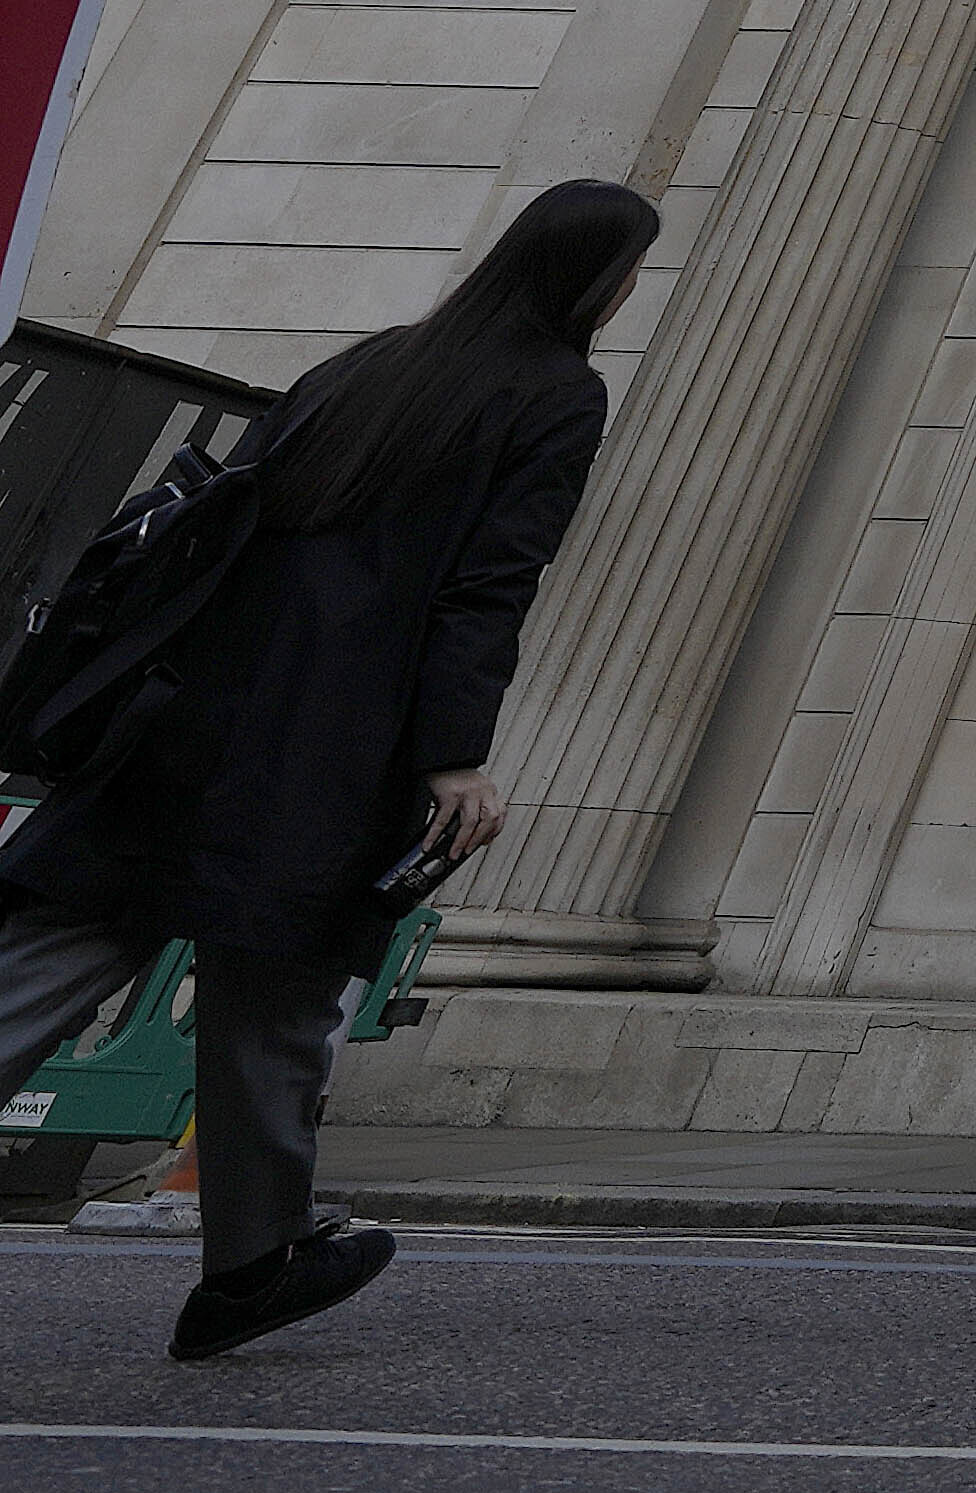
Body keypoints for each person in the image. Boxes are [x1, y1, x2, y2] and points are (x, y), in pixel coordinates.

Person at [0, 176, 643, 1360]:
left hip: (194, 713)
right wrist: (457, 756)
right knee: (276, 995)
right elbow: (488, 585)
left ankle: (256, 1259)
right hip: (331, 745)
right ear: (600, 280)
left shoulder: (370, 366)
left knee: (58, 954)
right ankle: (250, 1264)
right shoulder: (556, 392)